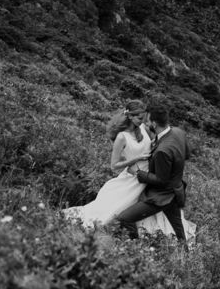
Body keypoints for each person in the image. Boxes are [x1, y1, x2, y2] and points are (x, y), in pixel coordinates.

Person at [63, 100, 194, 240]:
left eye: (145, 118)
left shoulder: (145, 129)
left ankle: (148, 238)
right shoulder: (122, 137)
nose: (144, 121)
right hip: (135, 178)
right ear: (130, 117)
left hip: (150, 179)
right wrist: (136, 160)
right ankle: (131, 239)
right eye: (140, 118)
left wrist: (163, 164)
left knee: (151, 212)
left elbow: (159, 146)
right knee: (116, 211)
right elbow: (114, 166)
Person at [110, 106, 193, 246]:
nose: (145, 124)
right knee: (178, 228)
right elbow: (187, 155)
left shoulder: (162, 150)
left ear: (154, 123)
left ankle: (135, 247)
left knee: (124, 218)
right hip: (176, 190)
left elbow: (161, 180)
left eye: (147, 122)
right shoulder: (179, 132)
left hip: (160, 196)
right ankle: (185, 252)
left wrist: (139, 173)